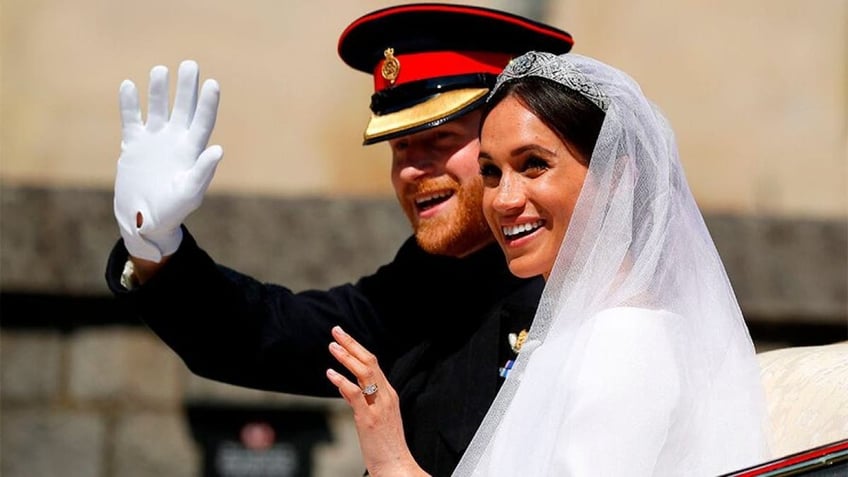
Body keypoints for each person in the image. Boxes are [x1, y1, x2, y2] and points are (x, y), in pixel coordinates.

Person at [104, 4, 575, 475]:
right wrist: (155, 247)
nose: (411, 169)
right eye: (399, 147)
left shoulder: (579, 288)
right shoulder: (426, 279)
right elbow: (274, 335)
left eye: (439, 139)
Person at [326, 51, 772, 476]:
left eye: (534, 165)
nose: (504, 199)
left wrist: (396, 465)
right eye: (491, 172)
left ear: (617, 176)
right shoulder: (573, 331)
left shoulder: (624, 340)